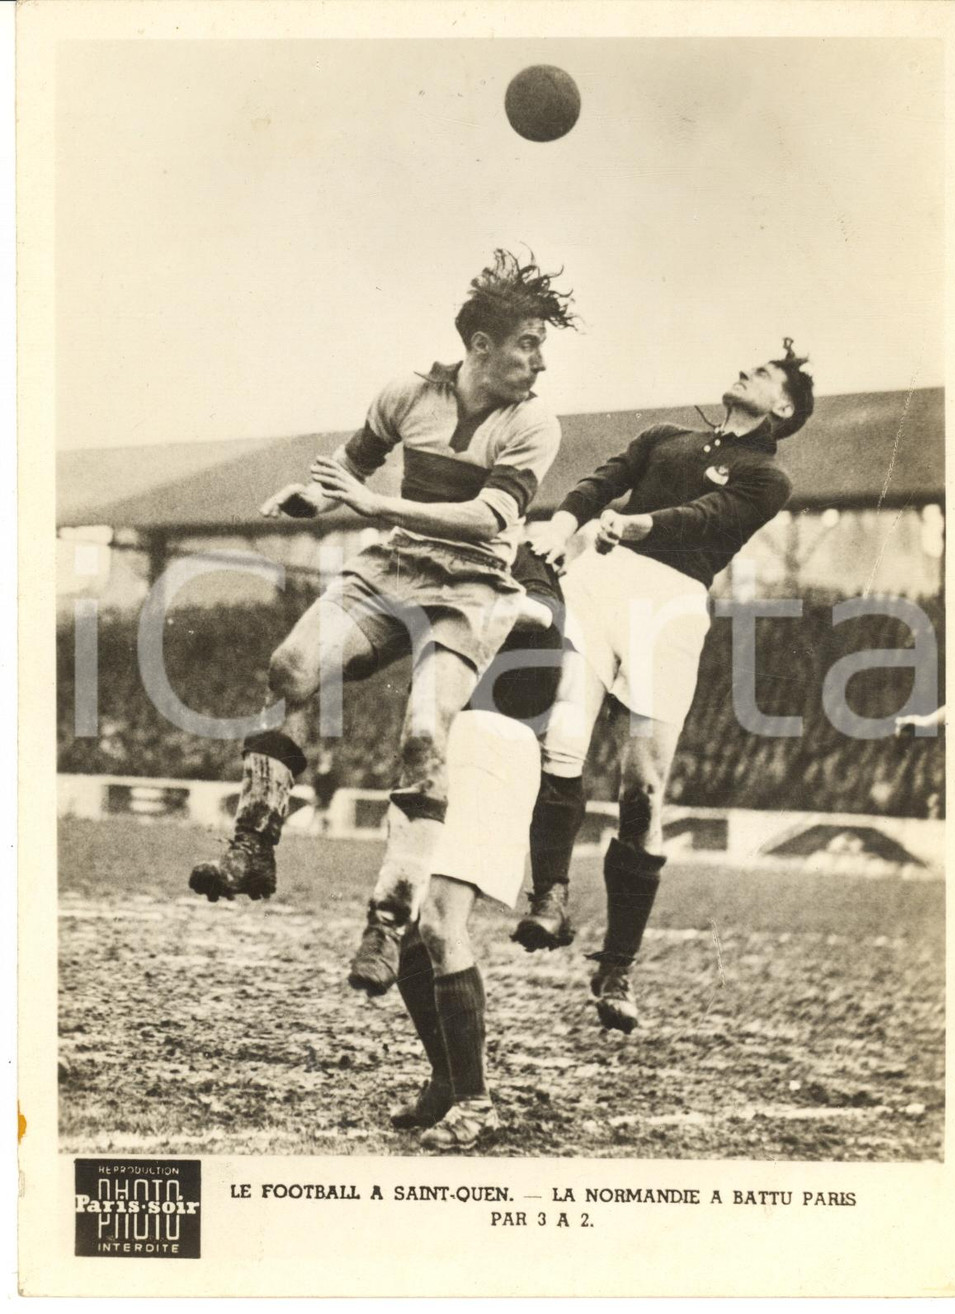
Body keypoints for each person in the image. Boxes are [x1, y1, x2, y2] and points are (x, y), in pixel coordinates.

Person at [189, 250, 577, 1003]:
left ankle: (387, 920)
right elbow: (352, 464)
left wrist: (375, 507)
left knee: (425, 736)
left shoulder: (534, 423)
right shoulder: (407, 394)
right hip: (394, 566)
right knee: (289, 667)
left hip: (472, 584)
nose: (540, 362)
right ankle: (254, 842)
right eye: (528, 344)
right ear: (481, 346)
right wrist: (312, 495)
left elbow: (487, 517)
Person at [515, 342, 815, 1033]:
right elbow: (600, 481)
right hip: (599, 588)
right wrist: (564, 525)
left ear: (782, 405)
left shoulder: (768, 477)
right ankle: (549, 898)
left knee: (643, 790)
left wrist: (637, 524)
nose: (747, 368)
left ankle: (616, 967)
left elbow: (707, 517)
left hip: (671, 606)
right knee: (562, 743)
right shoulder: (663, 437)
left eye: (765, 373)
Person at [391, 544, 566, 1151]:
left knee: (440, 922)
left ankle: (475, 1103)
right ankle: (448, 1081)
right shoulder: (438, 557)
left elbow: (541, 615)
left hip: (493, 738)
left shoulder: (517, 552)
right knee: (412, 930)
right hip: (442, 744)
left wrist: (448, 594)